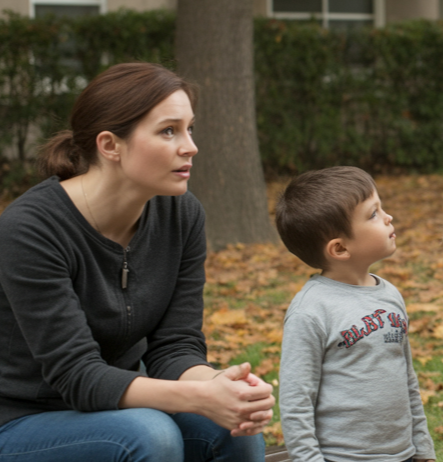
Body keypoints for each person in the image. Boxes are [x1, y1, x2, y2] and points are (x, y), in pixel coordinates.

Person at [0, 62, 274, 462]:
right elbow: (77, 376)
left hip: (120, 405)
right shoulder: (29, 230)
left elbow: (174, 347)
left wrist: (225, 387)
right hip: (21, 418)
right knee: (150, 435)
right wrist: (199, 396)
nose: (190, 146)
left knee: (233, 430)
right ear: (110, 145)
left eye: (189, 128)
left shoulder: (182, 215)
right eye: (168, 131)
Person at [276, 166, 435, 462]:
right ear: (339, 248)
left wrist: (423, 448)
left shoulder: (389, 295)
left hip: (402, 454)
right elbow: (296, 401)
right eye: (373, 214)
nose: (388, 217)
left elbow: (407, 378)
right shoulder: (311, 312)